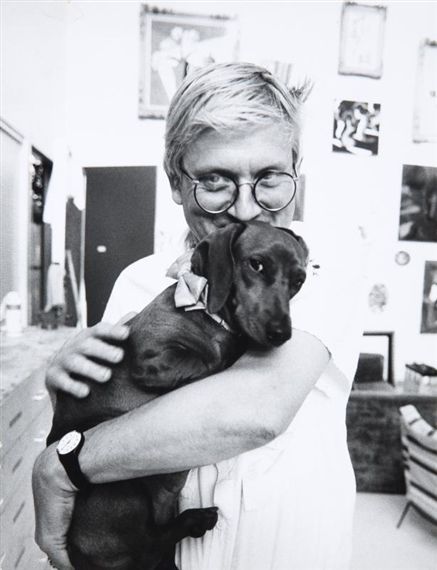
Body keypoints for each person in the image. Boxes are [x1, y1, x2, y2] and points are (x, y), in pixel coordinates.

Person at [32, 62, 366, 570]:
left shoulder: (316, 268)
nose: (247, 209)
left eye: (270, 178)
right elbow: (112, 404)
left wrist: (61, 466)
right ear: (175, 181)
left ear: (297, 173)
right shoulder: (138, 282)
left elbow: (254, 412)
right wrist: (69, 387)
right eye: (216, 181)